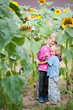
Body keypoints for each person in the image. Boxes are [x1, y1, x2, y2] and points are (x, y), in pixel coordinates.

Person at [37, 33, 57, 103]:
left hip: (49, 69)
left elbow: (57, 58)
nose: (52, 43)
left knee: (46, 83)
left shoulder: (53, 49)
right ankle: (40, 96)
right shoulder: (44, 48)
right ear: (49, 39)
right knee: (42, 83)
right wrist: (44, 57)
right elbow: (39, 57)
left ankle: (45, 96)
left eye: (54, 42)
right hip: (42, 68)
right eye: (52, 41)